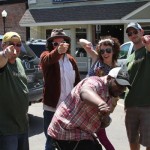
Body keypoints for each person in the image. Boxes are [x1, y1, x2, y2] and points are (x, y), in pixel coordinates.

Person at [47, 66, 131, 150]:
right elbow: (85, 91)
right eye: (119, 85)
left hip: (82, 133)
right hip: (66, 130)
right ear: (109, 78)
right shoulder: (95, 82)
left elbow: (100, 126)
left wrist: (105, 119)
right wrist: (100, 103)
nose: (121, 89)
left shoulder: (109, 95)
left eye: (124, 87)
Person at [40, 28, 81, 150]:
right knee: (51, 141)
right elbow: (48, 60)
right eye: (55, 43)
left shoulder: (71, 60)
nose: (59, 46)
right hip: (52, 108)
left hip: (69, 108)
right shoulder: (46, 56)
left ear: (67, 44)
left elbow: (77, 82)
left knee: (68, 140)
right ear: (51, 45)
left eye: (62, 43)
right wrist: (57, 51)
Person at [80, 37, 120, 150]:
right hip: (83, 102)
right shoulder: (97, 59)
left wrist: (110, 108)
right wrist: (87, 43)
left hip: (98, 107)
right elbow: (81, 42)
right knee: (82, 137)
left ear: (114, 51)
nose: (105, 53)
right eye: (102, 51)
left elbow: (115, 94)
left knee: (102, 138)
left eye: (108, 50)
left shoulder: (115, 70)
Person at [0, 32, 29, 150]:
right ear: (3, 45)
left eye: (18, 45)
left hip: (22, 125)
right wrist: (4, 54)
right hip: (7, 129)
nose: (15, 48)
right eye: (11, 44)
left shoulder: (19, 63)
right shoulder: (3, 62)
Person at [124, 22, 150, 150]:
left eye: (135, 32)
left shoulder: (147, 49)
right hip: (130, 105)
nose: (132, 35)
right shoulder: (130, 57)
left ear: (142, 32)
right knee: (133, 141)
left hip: (147, 105)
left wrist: (148, 44)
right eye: (130, 33)